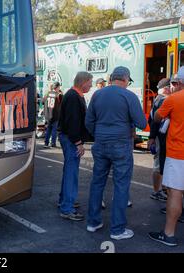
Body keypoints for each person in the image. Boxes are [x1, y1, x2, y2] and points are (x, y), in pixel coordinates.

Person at [85, 66, 147, 240]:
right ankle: (117, 230)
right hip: (121, 144)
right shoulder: (129, 96)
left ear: (112, 78)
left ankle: (93, 222)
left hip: (101, 143)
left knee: (97, 182)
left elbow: (89, 121)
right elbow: (142, 123)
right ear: (126, 79)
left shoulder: (97, 94)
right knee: (121, 185)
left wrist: (98, 134)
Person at [149, 67, 184, 247]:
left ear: (179, 83)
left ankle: (168, 234)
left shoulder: (173, 99)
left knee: (175, 193)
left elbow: (156, 117)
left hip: (178, 154)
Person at [57, 72, 93, 221]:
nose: (91, 85)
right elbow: (73, 122)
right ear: (83, 82)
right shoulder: (73, 96)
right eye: (90, 82)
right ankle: (67, 208)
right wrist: (78, 143)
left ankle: (65, 201)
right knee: (71, 173)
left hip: (69, 138)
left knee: (69, 172)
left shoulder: (73, 95)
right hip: (71, 139)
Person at [148, 78, 171, 202]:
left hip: (158, 136)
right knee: (159, 164)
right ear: (167, 88)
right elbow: (155, 121)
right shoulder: (163, 100)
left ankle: (159, 190)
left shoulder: (157, 99)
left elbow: (151, 120)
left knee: (159, 163)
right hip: (161, 137)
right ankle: (157, 191)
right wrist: (153, 137)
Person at [43, 82, 62, 149]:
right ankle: (53, 143)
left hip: (48, 115)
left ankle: (46, 143)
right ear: (57, 87)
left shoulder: (47, 94)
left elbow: (43, 102)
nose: (59, 88)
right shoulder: (58, 95)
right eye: (59, 87)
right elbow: (61, 104)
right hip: (55, 114)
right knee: (54, 130)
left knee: (48, 129)